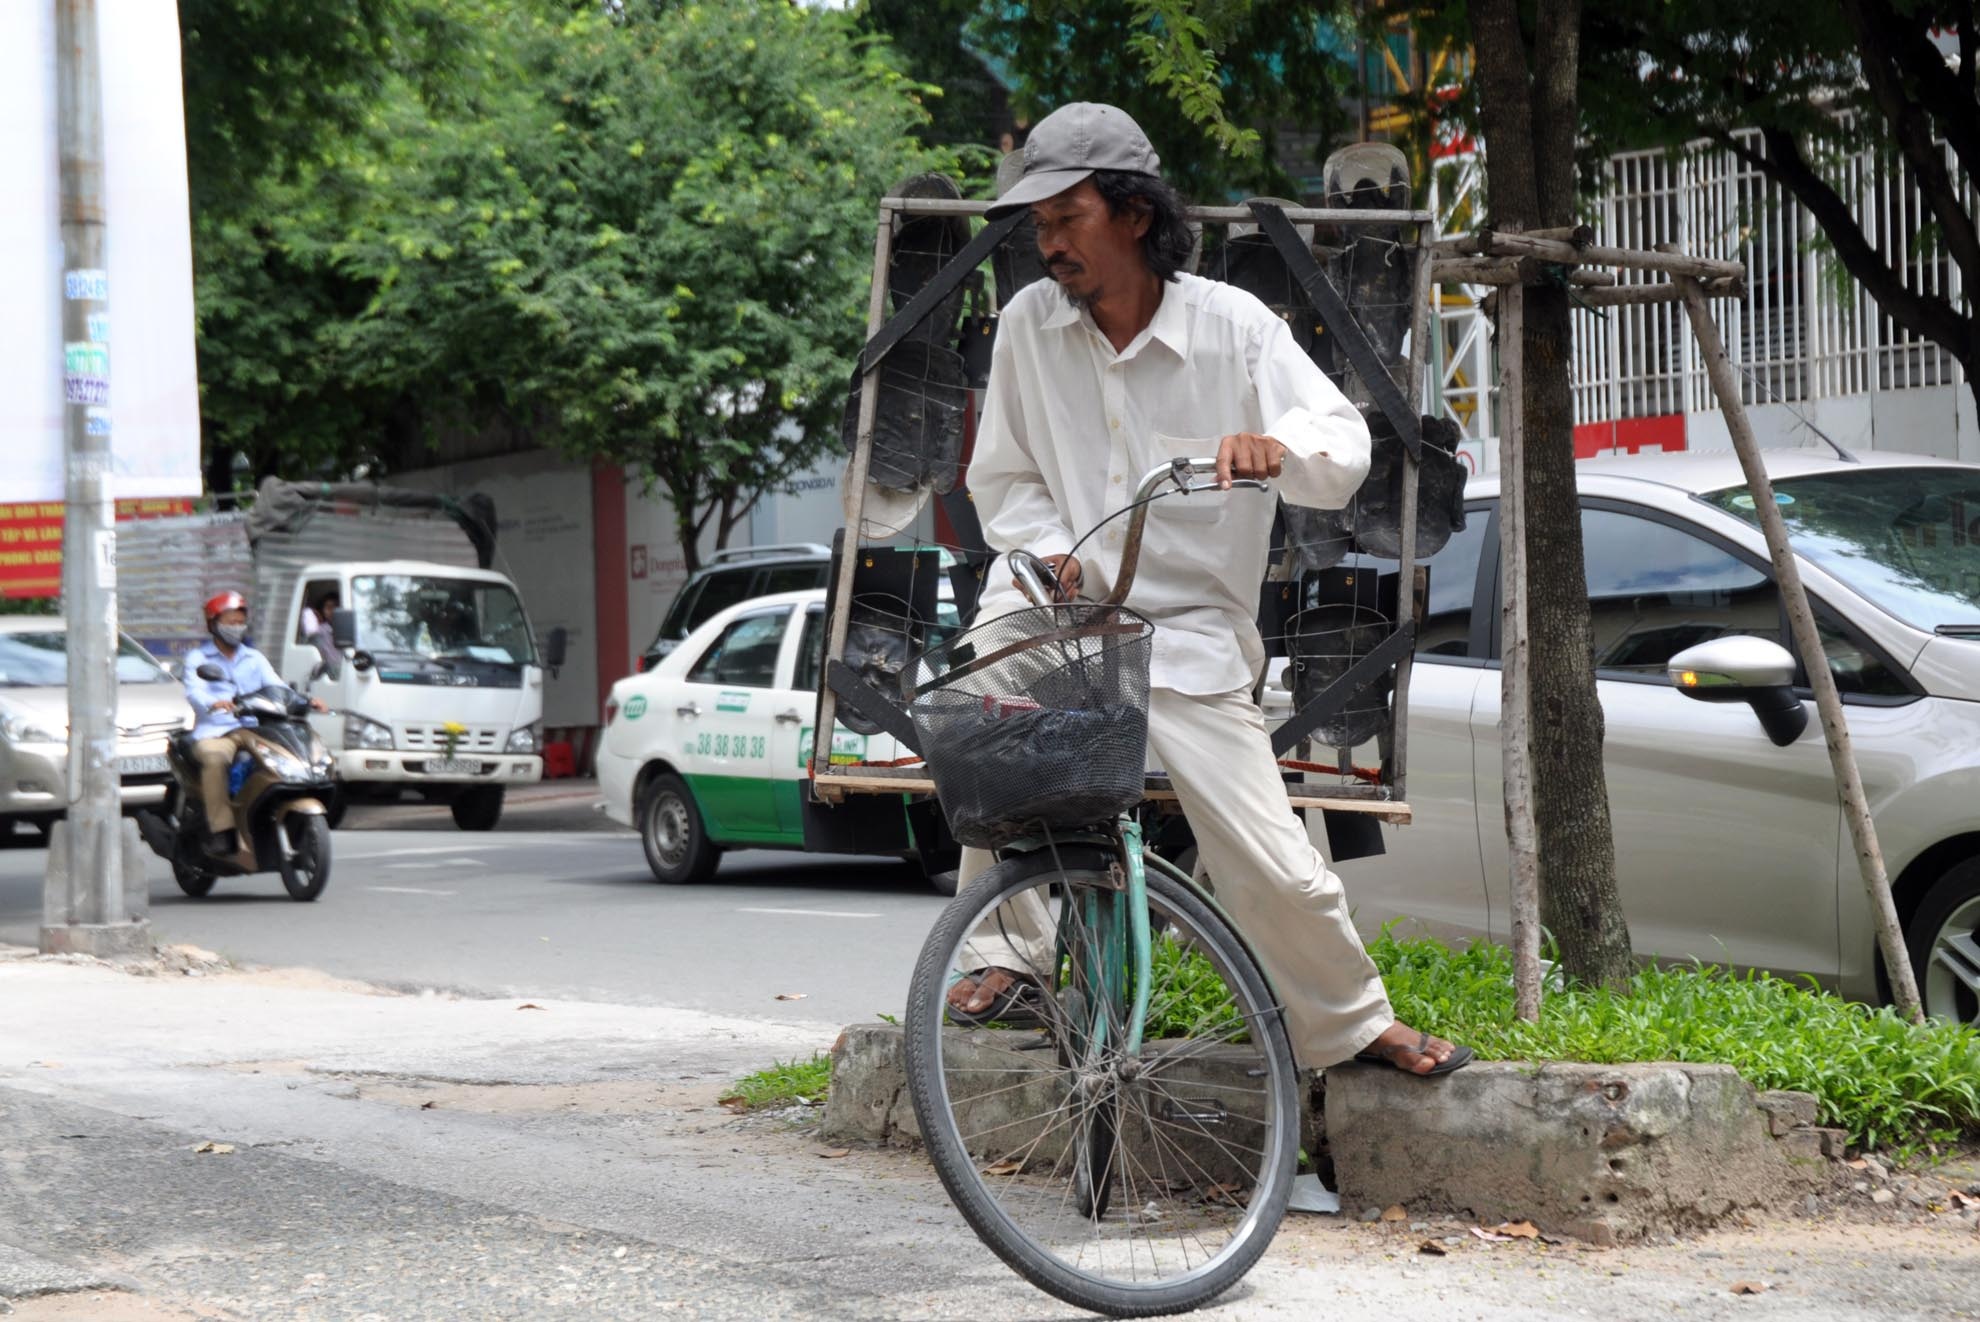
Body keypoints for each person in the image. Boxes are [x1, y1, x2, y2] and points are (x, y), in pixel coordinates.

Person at [947, 102, 1471, 1078]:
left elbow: (1343, 444)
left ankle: (1351, 1024)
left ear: (1134, 214)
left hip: (1187, 634)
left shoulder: (1233, 328)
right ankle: (1003, 959)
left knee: (1270, 859)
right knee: (993, 702)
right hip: (1058, 614)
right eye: (1040, 225)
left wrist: (1280, 449)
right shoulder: (1028, 326)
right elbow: (1003, 480)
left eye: (1067, 217)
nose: (1048, 242)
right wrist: (1052, 547)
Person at [183, 592, 326, 857]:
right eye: (230, 621)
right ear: (213, 623)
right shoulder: (198, 659)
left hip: (254, 727)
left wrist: (304, 701)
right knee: (215, 759)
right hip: (217, 730)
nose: (236, 627)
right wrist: (214, 703)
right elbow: (194, 692)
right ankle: (222, 830)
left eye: (240, 622)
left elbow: (277, 687)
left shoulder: (254, 658)